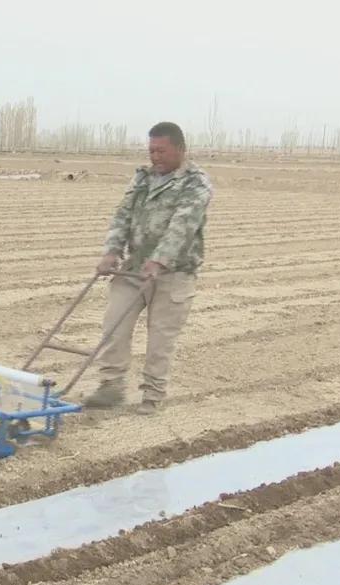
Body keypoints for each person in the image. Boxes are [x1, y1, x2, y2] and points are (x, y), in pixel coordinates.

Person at [83, 122, 212, 415]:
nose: (155, 156)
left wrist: (160, 260)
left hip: (174, 274)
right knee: (113, 327)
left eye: (161, 151)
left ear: (180, 149)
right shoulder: (142, 178)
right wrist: (112, 251)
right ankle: (110, 386)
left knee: (160, 340)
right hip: (133, 269)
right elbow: (122, 214)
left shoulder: (196, 183)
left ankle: (152, 396)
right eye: (151, 150)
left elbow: (183, 225)